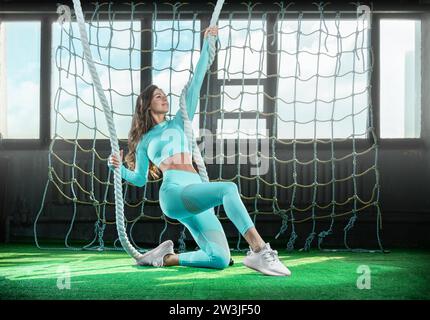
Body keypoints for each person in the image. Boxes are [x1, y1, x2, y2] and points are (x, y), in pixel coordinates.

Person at [108, 26, 291, 276]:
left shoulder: (180, 120)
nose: (164, 98)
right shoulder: (144, 140)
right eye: (158, 96)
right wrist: (118, 168)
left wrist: (208, 43)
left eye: (164, 95)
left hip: (194, 191)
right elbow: (139, 179)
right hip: (174, 194)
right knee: (228, 188)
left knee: (218, 258)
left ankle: (164, 258)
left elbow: (197, 81)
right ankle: (259, 250)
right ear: (147, 105)